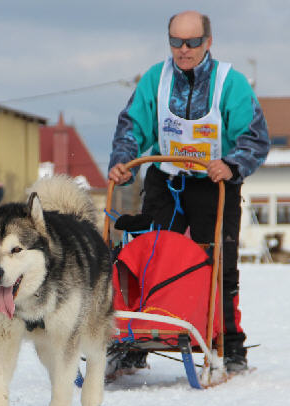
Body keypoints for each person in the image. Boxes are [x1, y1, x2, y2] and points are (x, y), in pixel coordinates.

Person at [107, 10, 270, 379]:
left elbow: (254, 137)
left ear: (208, 42)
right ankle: (136, 342)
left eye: (193, 42)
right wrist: (123, 161)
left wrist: (231, 163)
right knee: (147, 260)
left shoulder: (231, 83)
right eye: (176, 42)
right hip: (166, 182)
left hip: (214, 186)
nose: (184, 50)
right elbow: (132, 125)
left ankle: (229, 346)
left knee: (219, 264)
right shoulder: (155, 79)